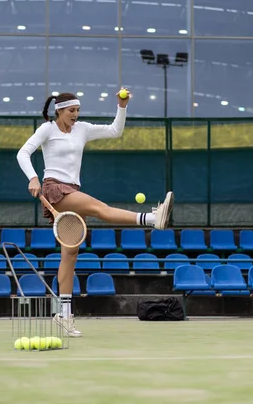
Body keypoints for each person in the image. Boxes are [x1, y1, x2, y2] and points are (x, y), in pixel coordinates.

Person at [17, 89, 173, 337]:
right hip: (53, 188)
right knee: (101, 209)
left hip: (72, 188)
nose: (76, 115)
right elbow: (23, 153)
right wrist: (33, 178)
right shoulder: (47, 129)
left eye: (78, 111)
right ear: (59, 111)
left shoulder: (83, 129)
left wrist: (121, 106)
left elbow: (115, 131)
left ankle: (64, 315)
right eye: (71, 111)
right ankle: (152, 219)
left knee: (69, 255)